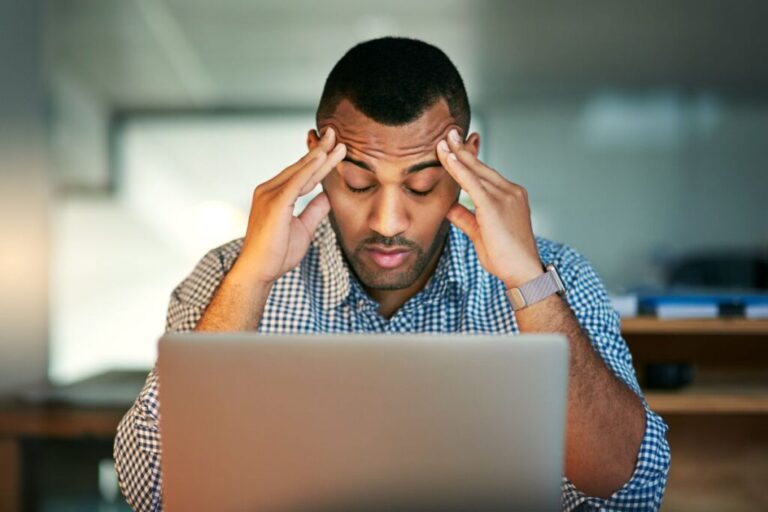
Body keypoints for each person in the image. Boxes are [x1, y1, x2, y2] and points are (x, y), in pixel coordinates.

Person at [114, 37, 669, 511]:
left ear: (468, 162)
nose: (388, 221)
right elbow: (155, 492)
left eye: (422, 185)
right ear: (317, 158)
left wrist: (527, 280)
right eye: (358, 183)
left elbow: (630, 493)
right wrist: (250, 283)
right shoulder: (223, 276)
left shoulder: (557, 275)